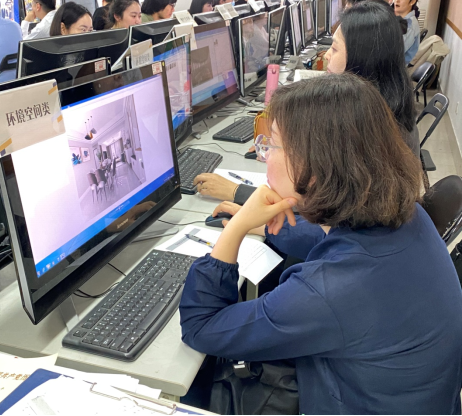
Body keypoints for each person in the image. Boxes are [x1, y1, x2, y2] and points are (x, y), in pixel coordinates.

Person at [179, 73, 462, 415]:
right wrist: (264, 226)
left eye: (272, 145)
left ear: (316, 168)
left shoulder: (330, 290)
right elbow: (329, 236)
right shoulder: (404, 213)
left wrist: (235, 229)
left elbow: (201, 326)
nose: (263, 155)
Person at [194, 0, 419, 204]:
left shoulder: (369, 127)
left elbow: (319, 210)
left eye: (335, 48)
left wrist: (237, 192)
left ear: (361, 58)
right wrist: (280, 151)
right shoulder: (383, 105)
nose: (327, 55)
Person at [394, 0, 420, 64]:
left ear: (412, 2)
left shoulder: (409, 26)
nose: (397, 0)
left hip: (397, 67)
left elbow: (393, 53)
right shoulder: (399, 19)